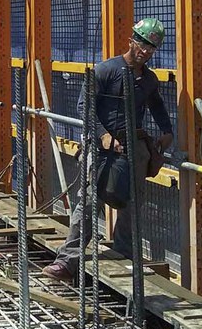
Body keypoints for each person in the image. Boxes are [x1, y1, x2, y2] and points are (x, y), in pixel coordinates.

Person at [43, 17, 174, 282]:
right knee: (90, 202)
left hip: (134, 147)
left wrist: (167, 131)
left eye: (152, 47)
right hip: (104, 151)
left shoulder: (148, 79)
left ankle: (123, 252)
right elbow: (85, 106)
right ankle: (68, 262)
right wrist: (102, 135)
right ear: (132, 40)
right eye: (143, 43)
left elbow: (157, 104)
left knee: (132, 201)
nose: (146, 51)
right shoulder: (106, 70)